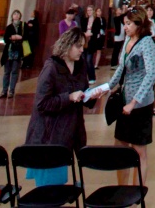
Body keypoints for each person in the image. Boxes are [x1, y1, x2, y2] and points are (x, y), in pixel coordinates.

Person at [25, 27, 102, 187]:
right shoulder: (51, 68)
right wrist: (68, 97)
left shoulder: (80, 66)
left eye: (83, 46)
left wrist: (90, 96)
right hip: (49, 135)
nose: (82, 50)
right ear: (67, 45)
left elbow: (82, 92)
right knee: (49, 187)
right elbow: (42, 104)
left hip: (69, 132)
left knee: (59, 183)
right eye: (78, 46)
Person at [108, 7, 155, 184]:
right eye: (124, 24)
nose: (126, 28)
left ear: (139, 23)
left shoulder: (147, 43)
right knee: (121, 146)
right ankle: (122, 188)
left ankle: (138, 193)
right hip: (125, 101)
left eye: (128, 24)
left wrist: (135, 101)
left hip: (140, 104)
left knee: (139, 150)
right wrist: (106, 87)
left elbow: (151, 74)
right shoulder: (127, 41)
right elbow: (121, 68)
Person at [0, 10, 28, 99]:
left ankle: (11, 91)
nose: (16, 15)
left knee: (15, 72)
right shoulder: (9, 27)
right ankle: (4, 90)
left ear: (20, 16)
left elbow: (26, 37)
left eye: (17, 14)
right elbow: (5, 39)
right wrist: (13, 37)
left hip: (18, 52)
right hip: (8, 52)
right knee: (7, 72)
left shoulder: (23, 26)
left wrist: (20, 37)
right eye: (14, 14)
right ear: (12, 16)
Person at [80, 5, 97, 83]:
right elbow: (82, 29)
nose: (89, 12)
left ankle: (92, 77)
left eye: (90, 10)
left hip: (92, 42)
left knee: (89, 60)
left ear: (93, 11)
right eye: (88, 10)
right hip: (84, 41)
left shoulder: (96, 20)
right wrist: (85, 34)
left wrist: (90, 34)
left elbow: (96, 31)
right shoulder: (84, 19)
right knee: (83, 60)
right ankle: (83, 77)